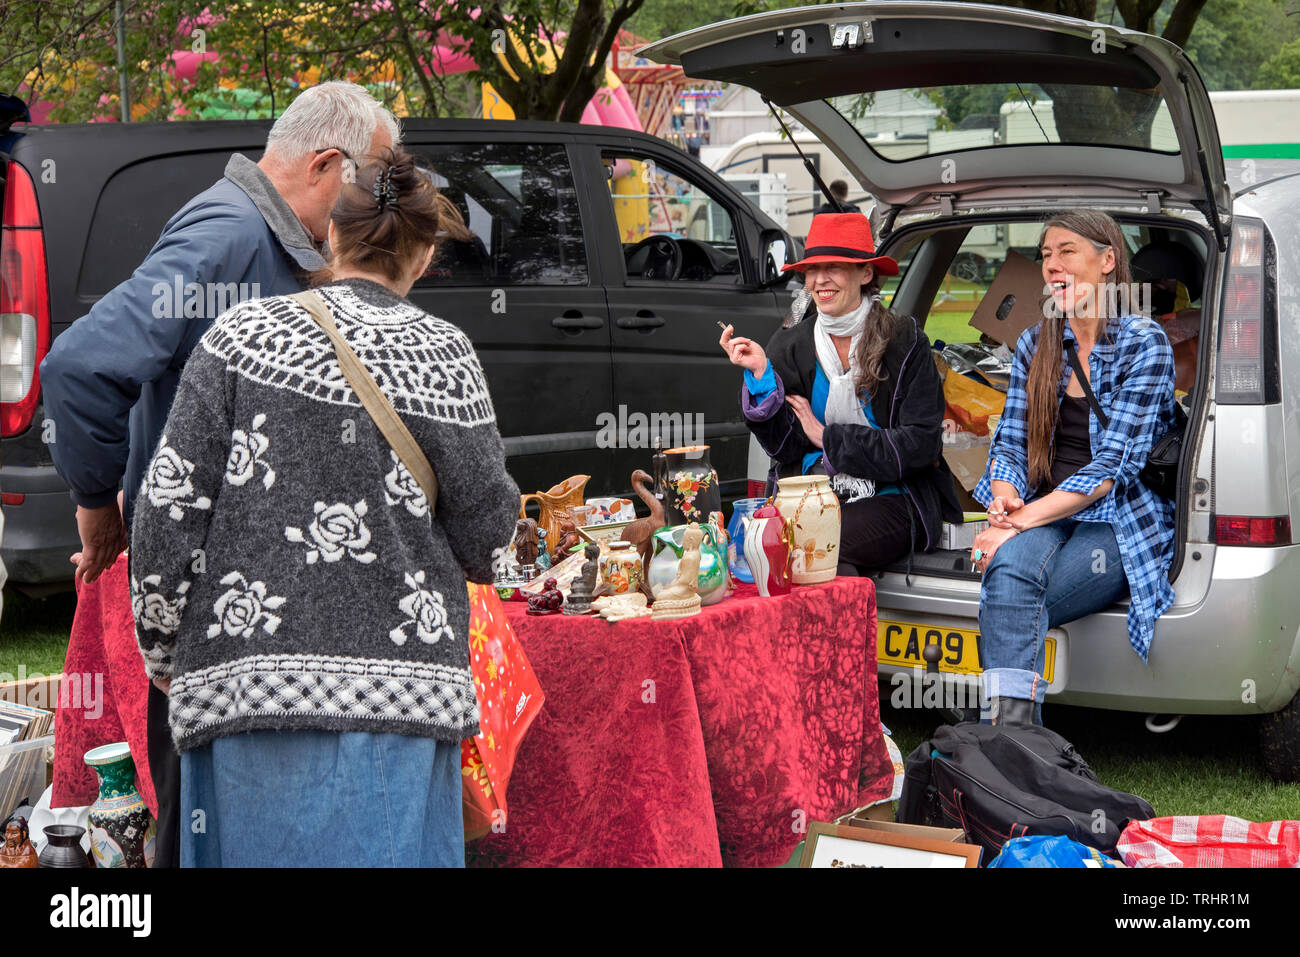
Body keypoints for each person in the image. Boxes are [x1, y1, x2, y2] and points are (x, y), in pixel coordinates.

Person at [39, 81, 399, 868]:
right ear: (327, 164)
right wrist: (98, 503)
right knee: (203, 819)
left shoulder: (265, 240)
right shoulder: (230, 231)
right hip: (209, 601)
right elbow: (80, 369)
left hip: (249, 600)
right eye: (368, 186)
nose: (371, 210)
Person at [128, 149, 520, 867]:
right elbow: (492, 544)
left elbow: (168, 508)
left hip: (243, 695)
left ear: (330, 235)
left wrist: (161, 649)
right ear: (426, 253)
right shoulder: (446, 357)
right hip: (399, 708)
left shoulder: (234, 340)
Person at [971, 210, 1178, 726]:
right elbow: (1010, 444)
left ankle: (1006, 741)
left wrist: (1016, 523)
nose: (1052, 266)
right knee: (1010, 575)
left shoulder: (1143, 342)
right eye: (1045, 256)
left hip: (1117, 517)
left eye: (1067, 252)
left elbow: (1112, 467)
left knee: (1011, 593)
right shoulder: (1033, 344)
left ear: (1108, 261)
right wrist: (1003, 502)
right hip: (1045, 507)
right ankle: (1016, 744)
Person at [720, 213, 961, 574]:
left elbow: (921, 445)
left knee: (818, 546)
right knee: (761, 550)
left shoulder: (905, 342)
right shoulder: (789, 345)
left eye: (834, 267)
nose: (819, 280)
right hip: (809, 495)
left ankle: (841, 630)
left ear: (865, 274)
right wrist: (760, 376)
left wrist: (828, 438)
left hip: (893, 497)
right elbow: (785, 448)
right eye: (812, 269)